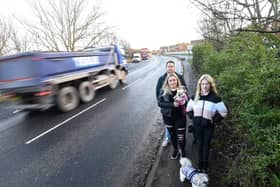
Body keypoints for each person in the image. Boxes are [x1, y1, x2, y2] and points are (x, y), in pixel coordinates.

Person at [186, 74, 227, 173]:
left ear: (210, 85)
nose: (204, 86)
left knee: (206, 145)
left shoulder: (215, 98)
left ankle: (205, 164)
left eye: (207, 84)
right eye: (203, 84)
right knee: (200, 144)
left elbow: (224, 112)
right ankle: (200, 163)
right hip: (197, 127)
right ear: (199, 85)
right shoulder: (195, 97)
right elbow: (188, 109)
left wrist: (213, 120)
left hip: (209, 127)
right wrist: (194, 117)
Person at [156, 60, 187, 147]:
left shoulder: (179, 77)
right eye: (169, 66)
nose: (170, 68)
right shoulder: (161, 79)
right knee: (169, 128)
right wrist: (163, 105)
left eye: (172, 66)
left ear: (174, 67)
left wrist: (182, 96)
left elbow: (185, 89)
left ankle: (181, 149)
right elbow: (158, 93)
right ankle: (168, 138)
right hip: (167, 110)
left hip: (179, 111)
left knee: (179, 131)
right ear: (166, 68)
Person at [158, 73, 188, 159]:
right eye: (170, 80)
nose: (172, 82)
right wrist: (172, 104)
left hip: (180, 117)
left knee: (181, 136)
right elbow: (160, 103)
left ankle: (182, 150)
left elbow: (188, 101)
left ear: (177, 80)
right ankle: (176, 150)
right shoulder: (163, 91)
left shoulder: (182, 89)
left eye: (174, 80)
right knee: (173, 136)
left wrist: (184, 99)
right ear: (167, 82)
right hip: (168, 117)